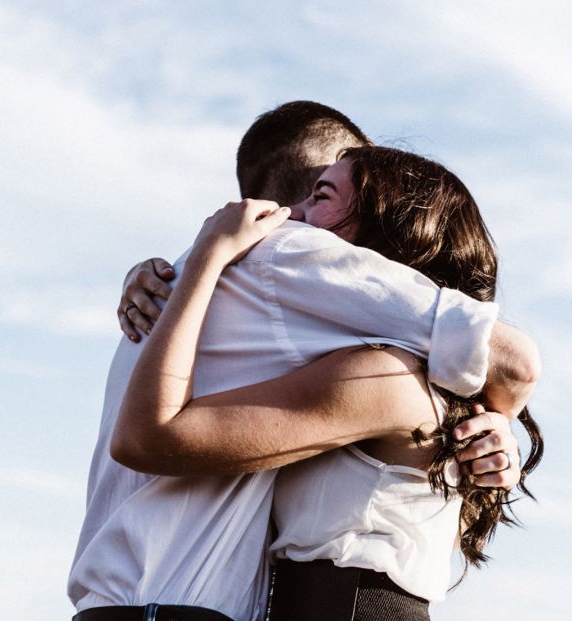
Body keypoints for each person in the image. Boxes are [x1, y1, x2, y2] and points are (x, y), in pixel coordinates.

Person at [68, 101, 538, 621]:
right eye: (316, 191)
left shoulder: (388, 375)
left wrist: (496, 420)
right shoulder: (289, 283)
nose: (293, 218)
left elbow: (513, 362)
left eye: (323, 197)